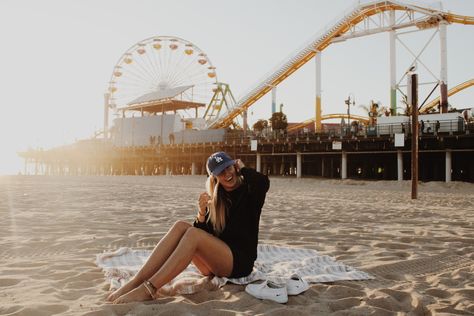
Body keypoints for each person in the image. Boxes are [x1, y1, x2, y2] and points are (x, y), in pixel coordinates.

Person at [106, 151, 270, 304]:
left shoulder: (250, 192)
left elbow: (263, 182)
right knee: (181, 226)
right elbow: (206, 237)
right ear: (214, 178)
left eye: (229, 168)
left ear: (234, 166)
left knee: (192, 234)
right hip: (216, 264)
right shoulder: (217, 200)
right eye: (221, 172)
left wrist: (242, 168)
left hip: (239, 263)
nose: (227, 174)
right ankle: (136, 281)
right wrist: (201, 213)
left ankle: (149, 288)